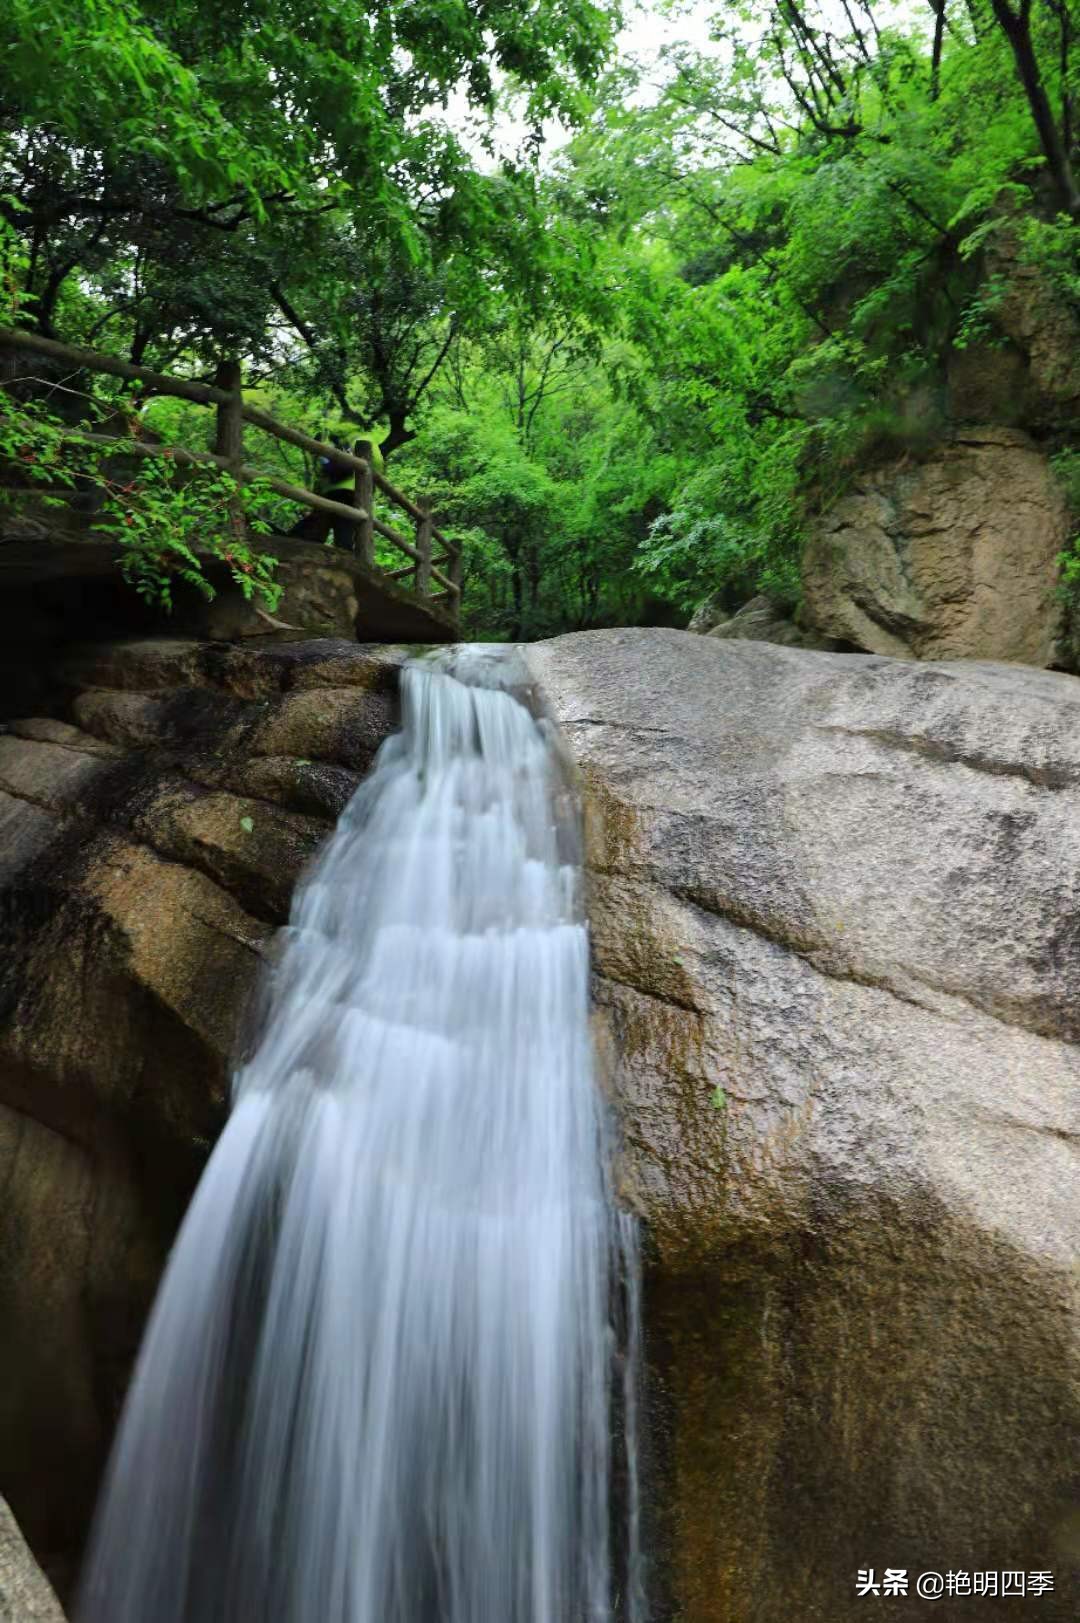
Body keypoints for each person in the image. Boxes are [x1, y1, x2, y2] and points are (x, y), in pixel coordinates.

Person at [288, 447, 357, 549]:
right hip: (340, 497)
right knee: (339, 531)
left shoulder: (337, 459)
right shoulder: (337, 459)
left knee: (338, 529)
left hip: (342, 496)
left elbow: (335, 473)